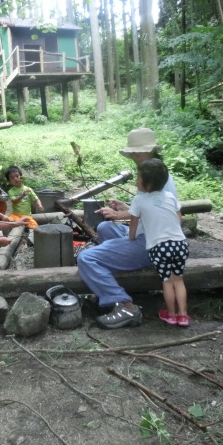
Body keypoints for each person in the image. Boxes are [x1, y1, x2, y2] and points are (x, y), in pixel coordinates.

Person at [77, 127, 178, 329]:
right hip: (148, 235)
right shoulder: (153, 171)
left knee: (86, 258)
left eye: (136, 151)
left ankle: (125, 305)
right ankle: (109, 279)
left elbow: (162, 215)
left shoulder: (159, 177)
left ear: (149, 151)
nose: (132, 155)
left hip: (153, 242)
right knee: (105, 227)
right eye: (131, 151)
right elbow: (148, 206)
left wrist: (121, 215)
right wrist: (125, 207)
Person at [128, 159, 190, 326]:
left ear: (146, 184)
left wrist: (131, 238)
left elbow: (133, 222)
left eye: (138, 179)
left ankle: (170, 314)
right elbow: (178, 216)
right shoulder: (170, 196)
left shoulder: (139, 200)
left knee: (167, 281)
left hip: (160, 247)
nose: (136, 182)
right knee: (178, 280)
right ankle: (183, 315)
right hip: (180, 243)